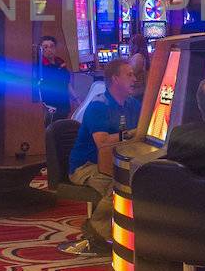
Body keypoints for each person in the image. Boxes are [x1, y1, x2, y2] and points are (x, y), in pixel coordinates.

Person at [69, 58, 142, 248]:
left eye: (134, 74)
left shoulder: (132, 104)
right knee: (120, 186)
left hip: (115, 164)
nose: (134, 78)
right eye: (129, 74)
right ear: (115, 79)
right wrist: (128, 134)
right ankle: (96, 229)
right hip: (85, 166)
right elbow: (101, 142)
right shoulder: (99, 105)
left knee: (135, 183)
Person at [37, 34, 72, 120]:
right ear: (41, 50)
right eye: (45, 47)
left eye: (51, 46)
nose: (49, 49)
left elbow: (66, 80)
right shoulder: (41, 65)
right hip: (50, 105)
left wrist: (76, 99)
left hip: (64, 103)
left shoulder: (60, 61)